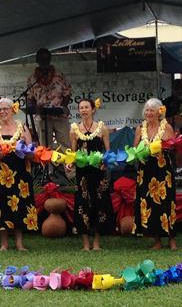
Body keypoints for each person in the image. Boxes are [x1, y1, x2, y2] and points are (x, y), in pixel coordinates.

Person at [0, 97, 38, 251]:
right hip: (1, 173)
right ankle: (4, 243)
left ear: (13, 110)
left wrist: (29, 154)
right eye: (0, 110)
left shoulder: (23, 128)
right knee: (1, 203)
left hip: (20, 171)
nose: (2, 112)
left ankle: (19, 243)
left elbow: (31, 151)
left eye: (5, 109)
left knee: (20, 203)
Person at [65, 98, 116, 251]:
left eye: (87, 107)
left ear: (93, 110)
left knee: (99, 205)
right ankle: (86, 244)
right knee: (83, 205)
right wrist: (69, 163)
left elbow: (108, 152)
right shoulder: (74, 130)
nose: (84, 110)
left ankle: (96, 243)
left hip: (98, 173)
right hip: (82, 174)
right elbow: (73, 153)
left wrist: (105, 162)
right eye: (81, 108)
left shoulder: (102, 129)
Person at [132, 98, 178, 249]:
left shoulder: (167, 127)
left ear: (160, 112)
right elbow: (135, 150)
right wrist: (139, 150)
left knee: (166, 203)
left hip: (163, 169)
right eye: (147, 110)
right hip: (146, 169)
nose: (149, 113)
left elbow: (174, 148)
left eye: (152, 110)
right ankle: (157, 240)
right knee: (149, 203)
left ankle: (171, 239)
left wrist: (168, 146)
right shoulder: (140, 128)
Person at [26, 48, 72, 151]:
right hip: (42, 118)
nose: (45, 61)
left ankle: (69, 167)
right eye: (42, 58)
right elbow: (30, 98)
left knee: (66, 146)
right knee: (45, 148)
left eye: (47, 58)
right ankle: (47, 168)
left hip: (60, 117)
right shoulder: (32, 79)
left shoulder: (59, 75)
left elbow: (67, 94)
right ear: (37, 60)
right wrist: (35, 107)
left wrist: (61, 109)